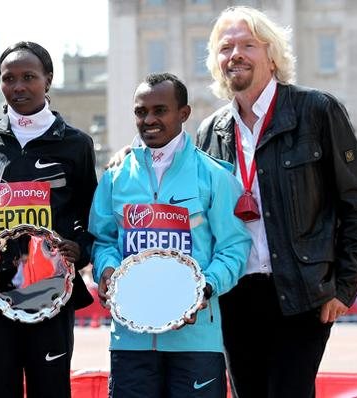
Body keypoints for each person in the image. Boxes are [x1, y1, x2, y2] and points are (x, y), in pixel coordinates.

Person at [196, 6, 357, 397]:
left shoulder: (317, 110)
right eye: (225, 48)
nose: (236, 55)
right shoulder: (210, 130)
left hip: (300, 292)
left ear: (273, 54)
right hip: (234, 294)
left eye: (248, 45)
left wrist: (344, 287)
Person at [90, 72, 251, 398]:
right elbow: (103, 240)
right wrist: (105, 269)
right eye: (140, 112)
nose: (148, 120)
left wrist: (203, 288)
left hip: (196, 340)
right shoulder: (115, 177)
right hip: (130, 339)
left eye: (159, 110)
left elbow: (235, 248)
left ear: (183, 113)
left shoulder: (214, 176)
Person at [0, 41, 97, 398]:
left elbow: (91, 216)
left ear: (48, 80)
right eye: (8, 78)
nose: (18, 86)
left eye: (28, 77)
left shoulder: (76, 144)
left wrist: (78, 249)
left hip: (51, 295)